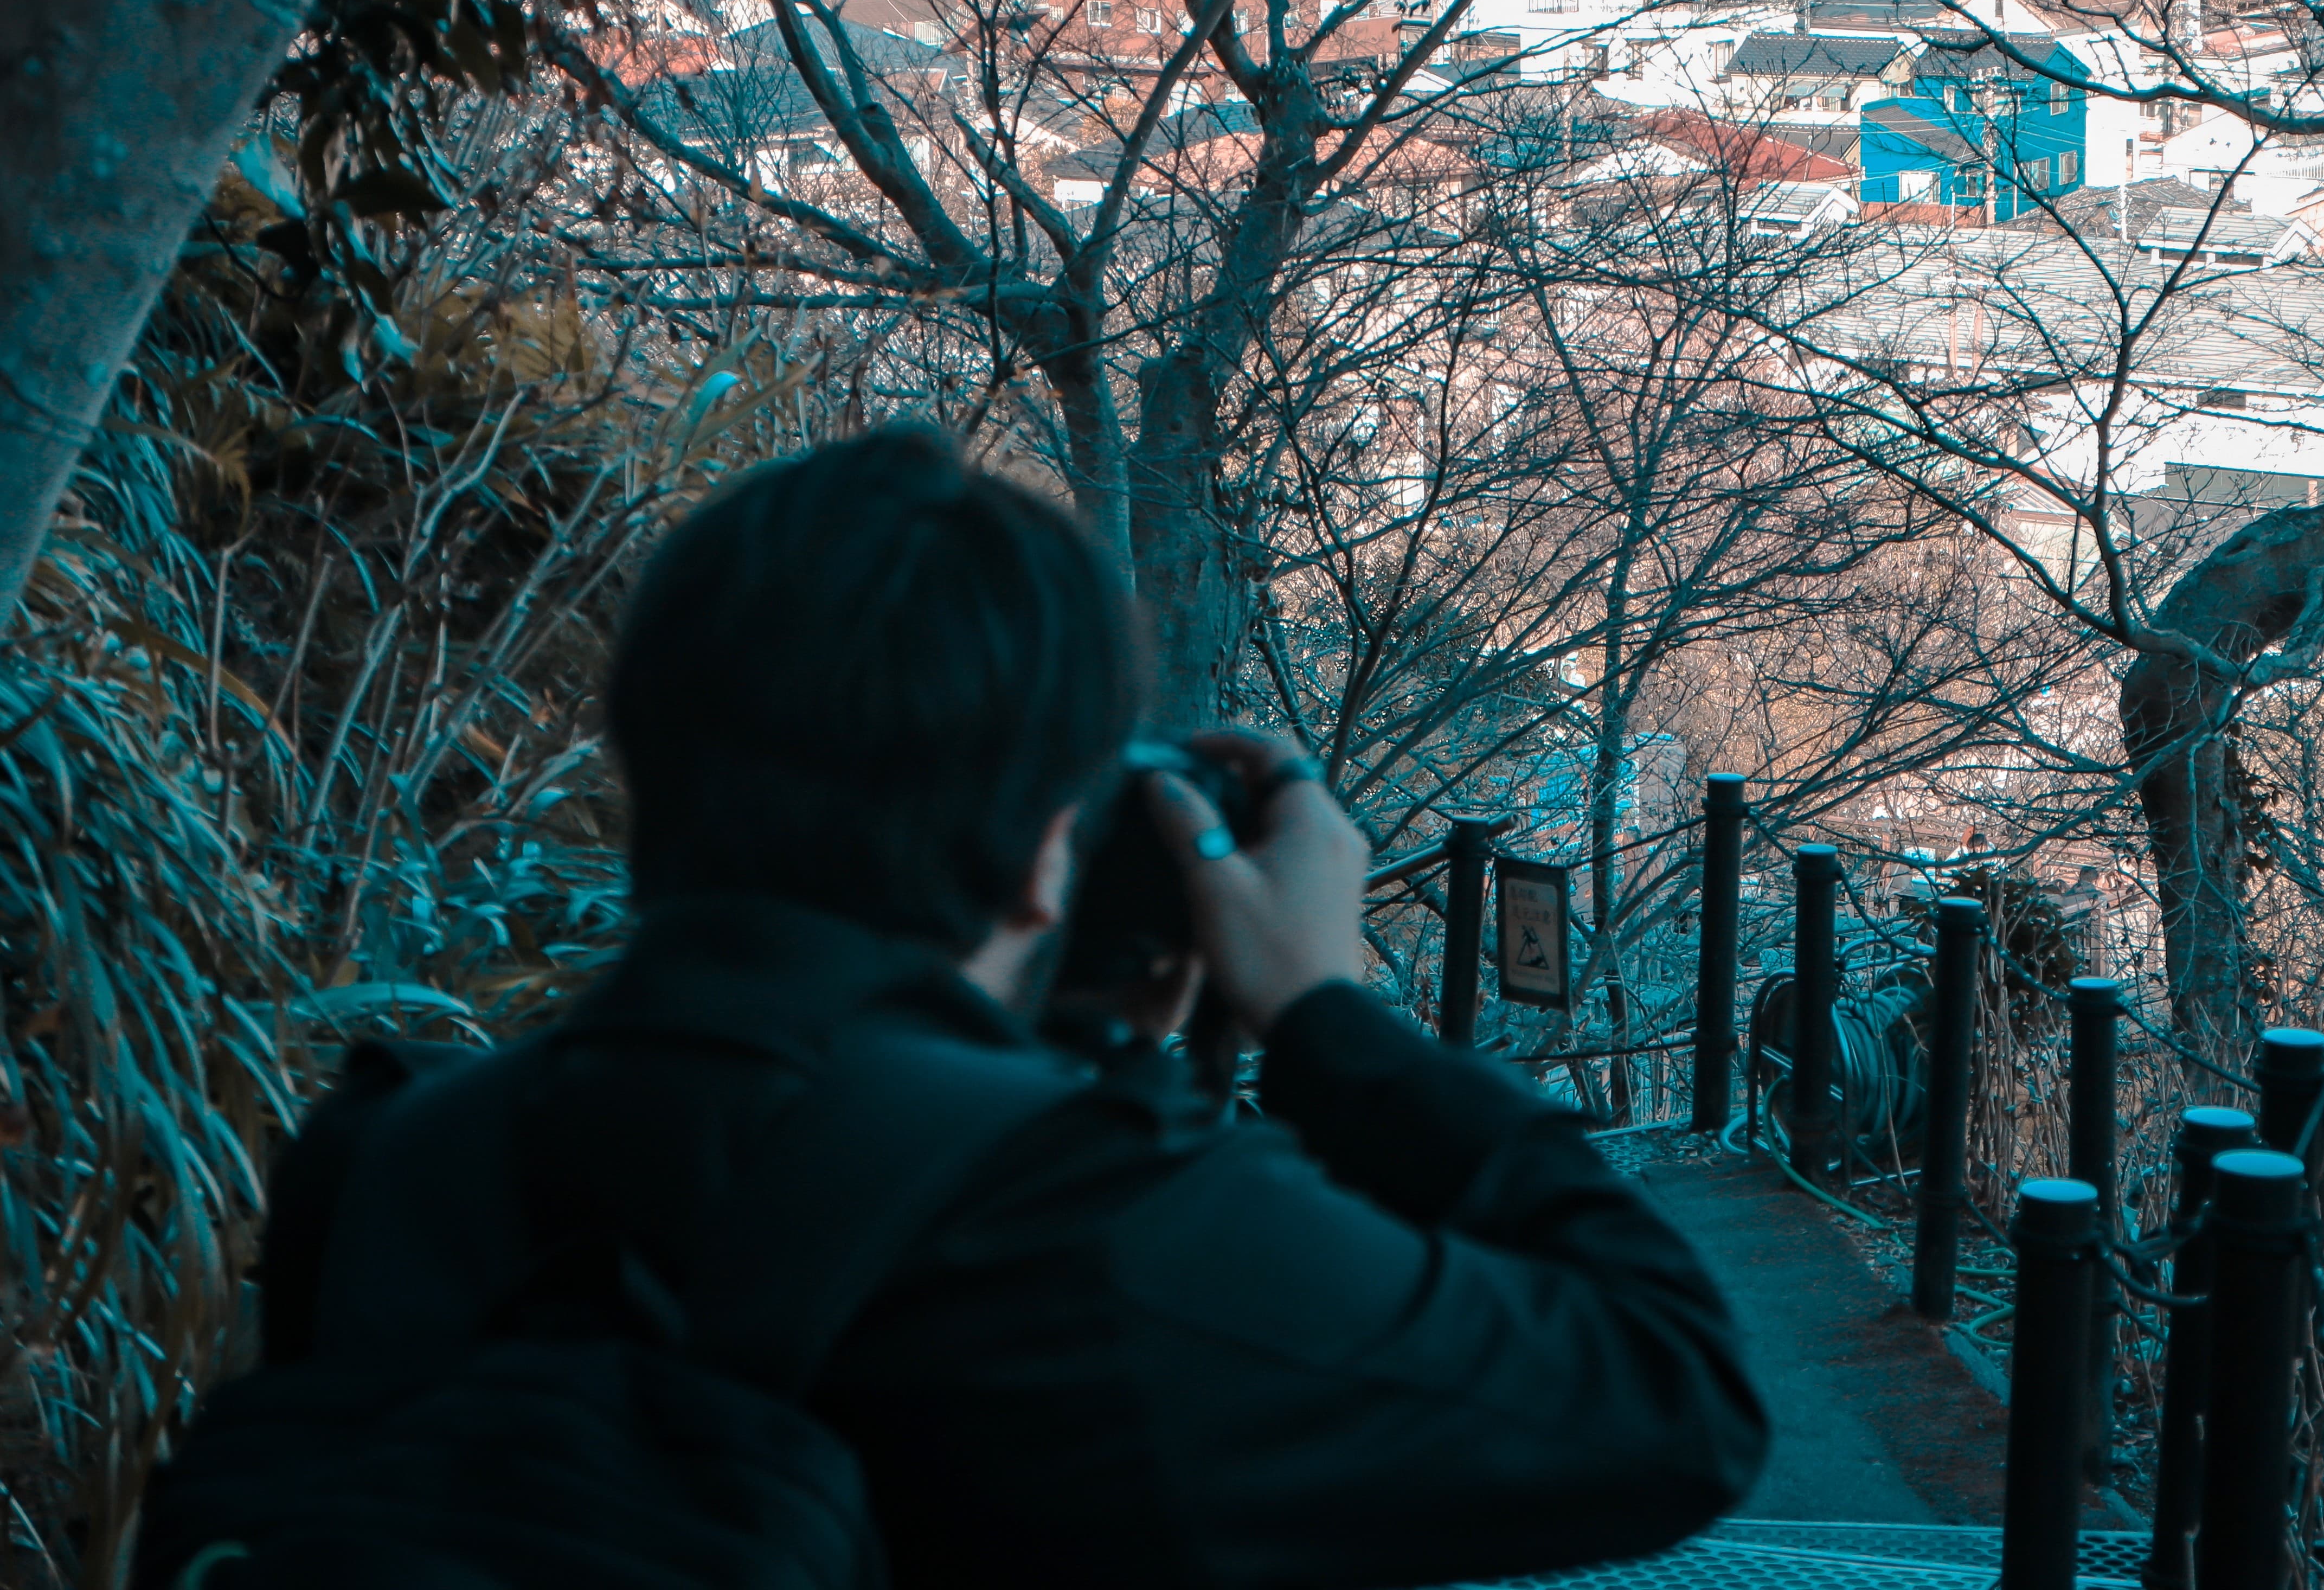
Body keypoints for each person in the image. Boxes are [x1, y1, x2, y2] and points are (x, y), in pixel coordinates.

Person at [233, 427, 1767, 1588]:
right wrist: (1319, 1010)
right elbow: (1671, 1394)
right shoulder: (1082, 1226)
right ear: (1053, 848)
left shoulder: (380, 1166)